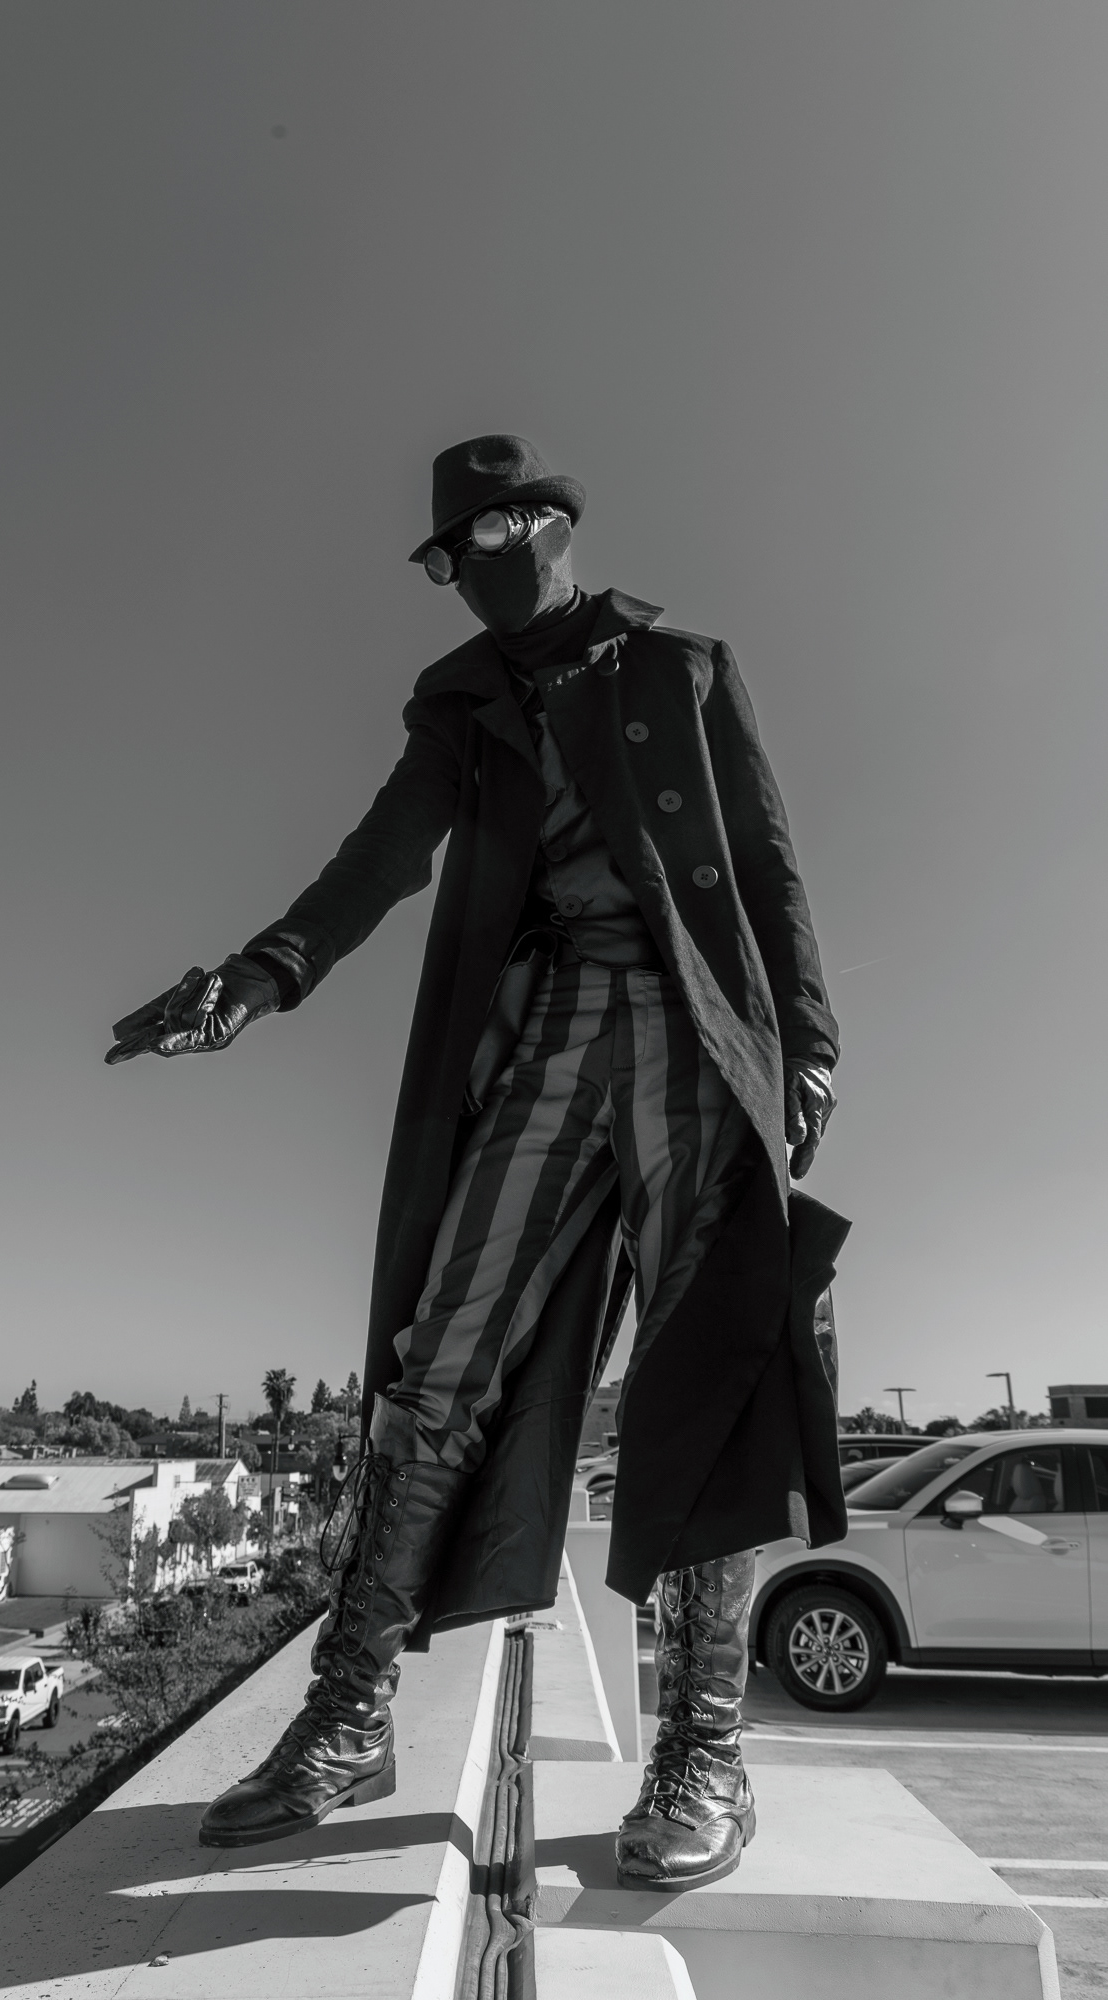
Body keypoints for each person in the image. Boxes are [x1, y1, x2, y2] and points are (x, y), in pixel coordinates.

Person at [107, 435, 849, 1889]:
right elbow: (382, 854)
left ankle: (704, 1751)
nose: (467, 572)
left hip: (700, 1027)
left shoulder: (680, 667)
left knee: (715, 1365)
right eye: (444, 558)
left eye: (490, 538)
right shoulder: (460, 703)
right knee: (439, 1358)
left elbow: (765, 863)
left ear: (553, 524)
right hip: (555, 1026)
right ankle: (348, 1711)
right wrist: (259, 976)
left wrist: (808, 1047)